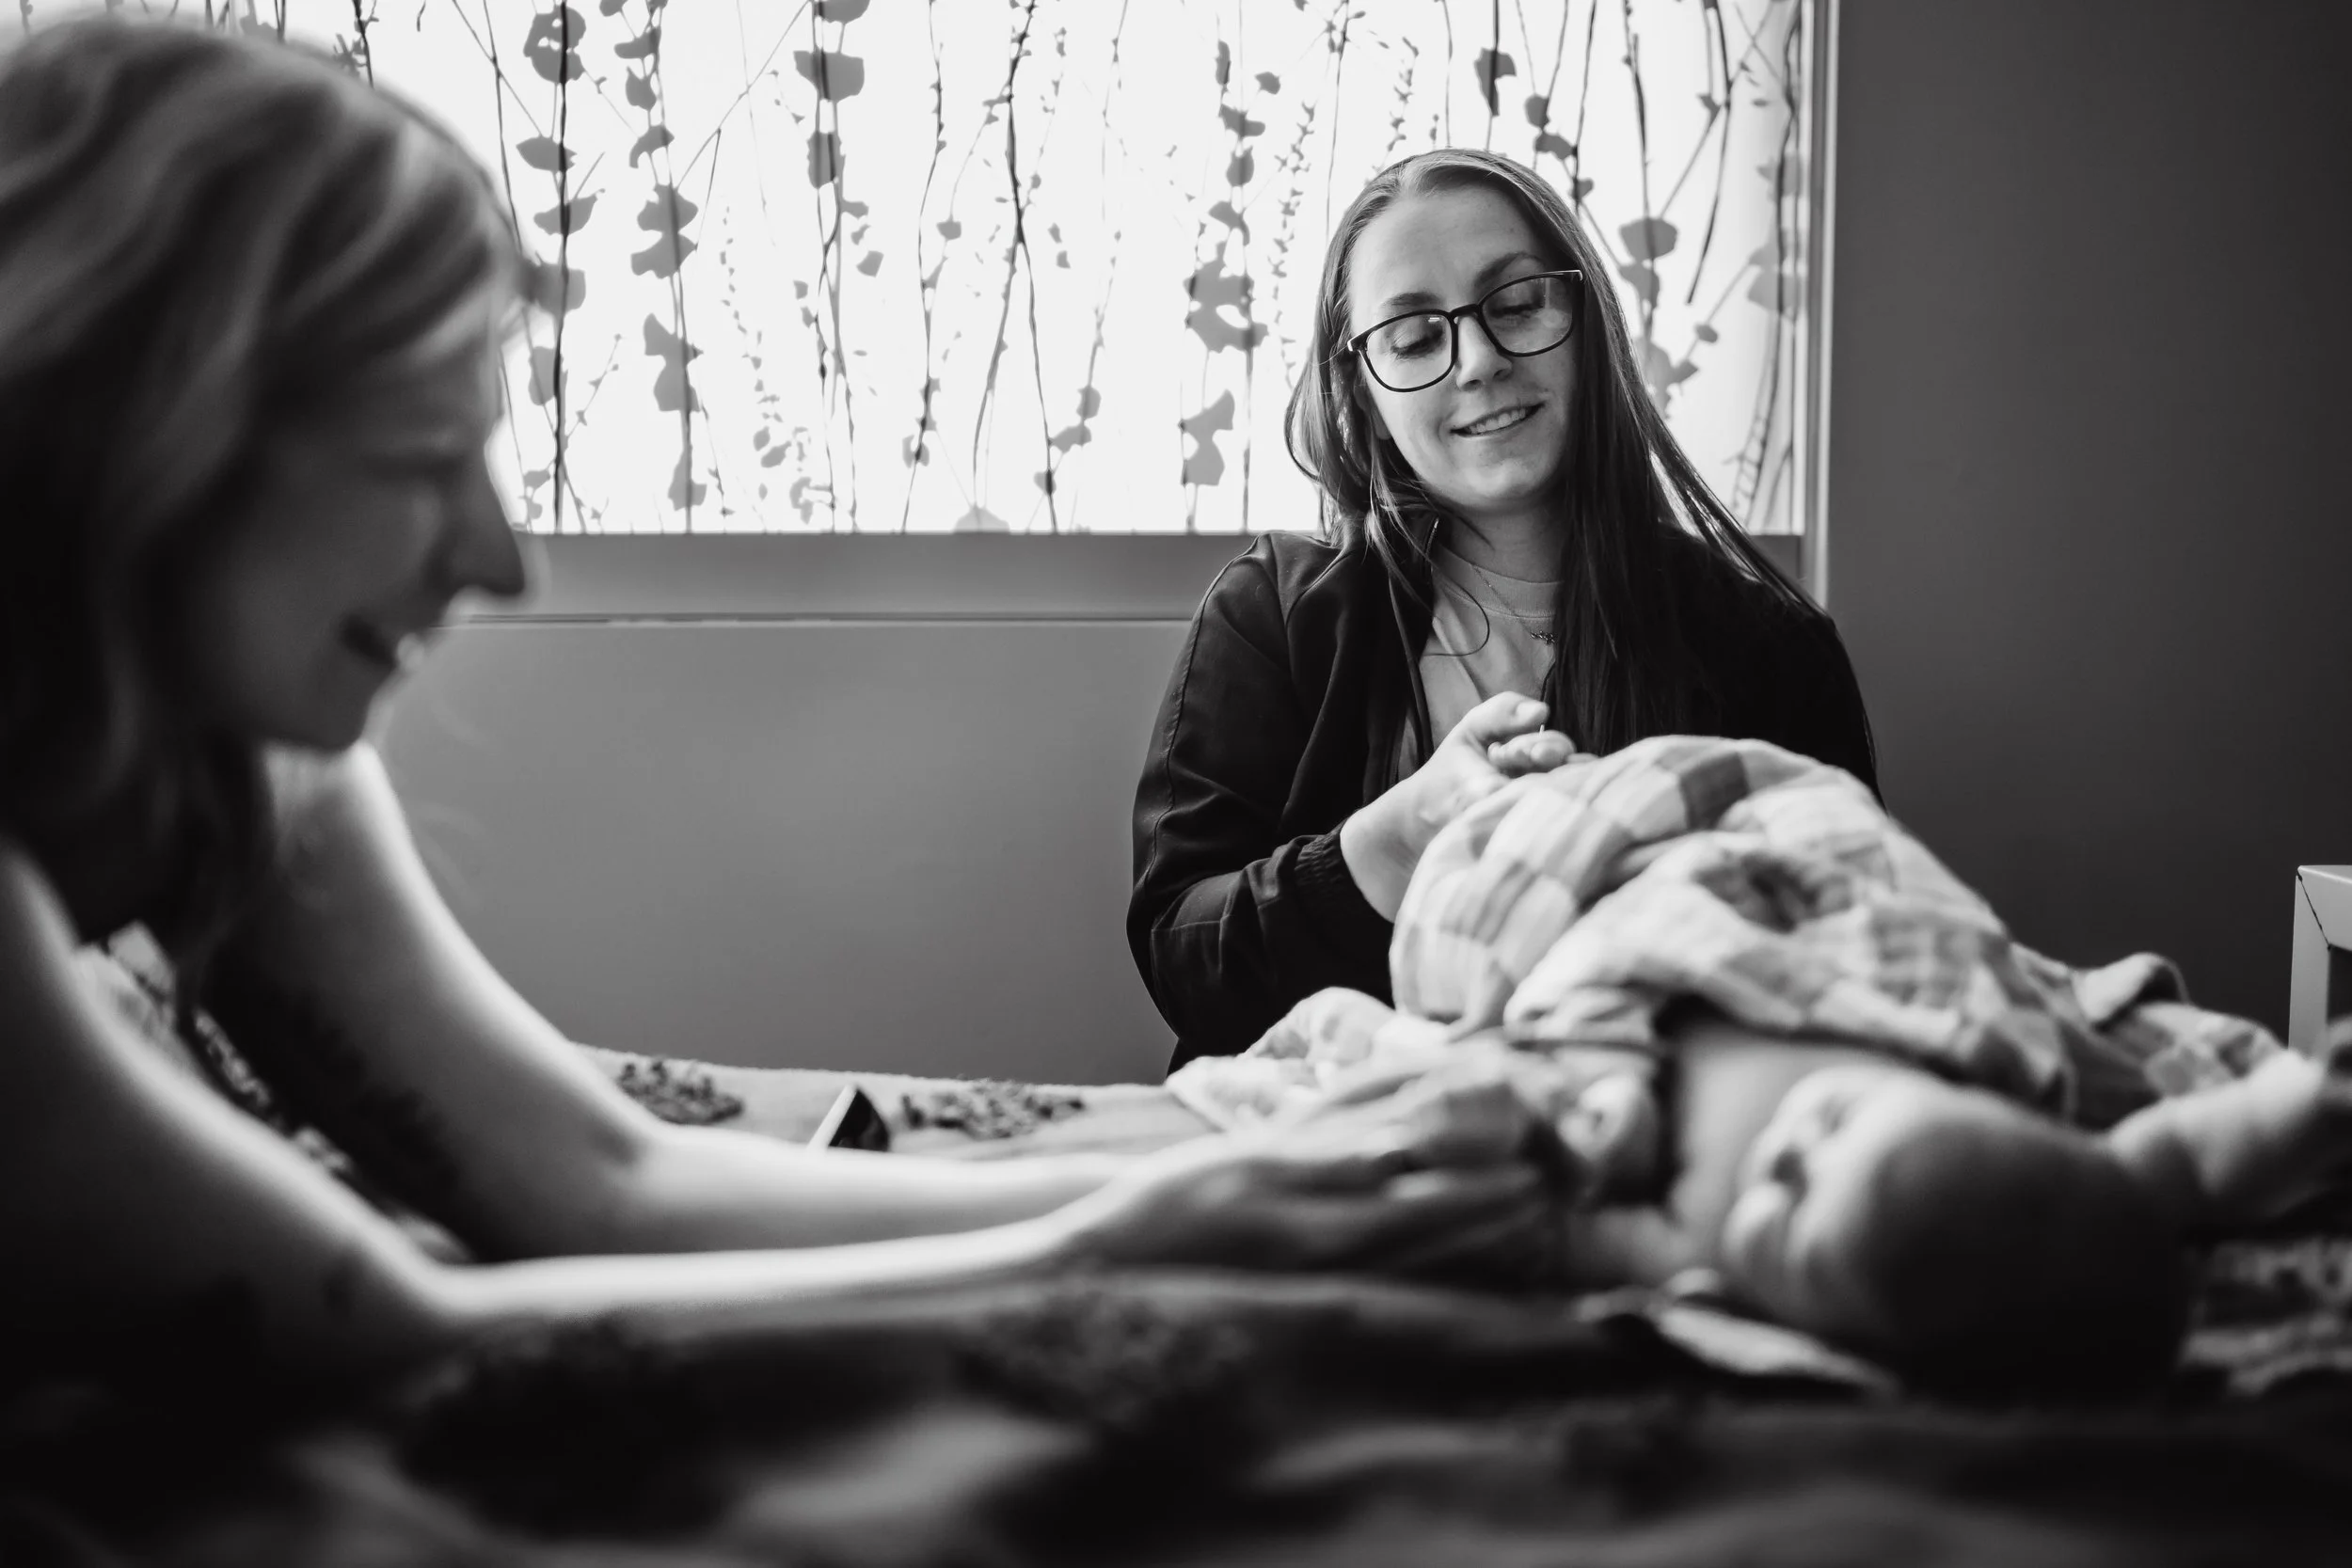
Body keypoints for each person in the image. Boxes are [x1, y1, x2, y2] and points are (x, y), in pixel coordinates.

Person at [0, 18, 1553, 1405]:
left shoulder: (263, 764)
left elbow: (603, 1183)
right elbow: (395, 1330)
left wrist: (1196, 1191)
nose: (499, 559)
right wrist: (1126, 1226)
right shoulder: (1284, 617)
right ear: (129, 447)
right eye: (417, 455)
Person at [1130, 149, 1879, 1071]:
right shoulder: (1272, 615)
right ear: (1360, 390)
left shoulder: (1771, 652)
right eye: (1412, 337)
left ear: (1585, 323)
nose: (1478, 361)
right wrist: (1390, 842)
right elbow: (1185, 958)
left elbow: (1843, 969)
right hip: (1320, 1145)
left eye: (1517, 304)